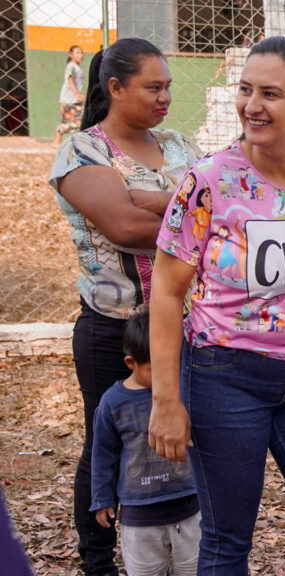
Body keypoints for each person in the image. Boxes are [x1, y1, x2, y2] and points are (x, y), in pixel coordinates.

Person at [147, 36, 285, 574]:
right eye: (246, 90)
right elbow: (167, 291)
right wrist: (167, 400)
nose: (252, 105)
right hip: (223, 375)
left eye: (270, 93)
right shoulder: (210, 180)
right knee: (228, 539)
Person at [49, 37, 201, 576]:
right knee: (107, 442)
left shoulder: (181, 145)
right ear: (115, 88)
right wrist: (185, 211)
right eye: (152, 87)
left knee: (193, 435)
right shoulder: (81, 151)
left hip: (188, 327)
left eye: (167, 87)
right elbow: (125, 227)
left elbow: (229, 208)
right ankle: (100, 563)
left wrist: (146, 197)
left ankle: (192, 550)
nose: (165, 97)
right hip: (113, 330)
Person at [91, 308, 200, 576]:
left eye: (172, 364)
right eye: (157, 369)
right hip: (140, 515)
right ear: (131, 363)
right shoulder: (112, 403)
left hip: (190, 505)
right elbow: (103, 455)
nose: (167, 376)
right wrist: (102, 498)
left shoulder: (185, 390)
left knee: (196, 570)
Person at [54, 44, 85, 145]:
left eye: (81, 53)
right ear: (71, 55)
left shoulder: (78, 67)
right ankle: (56, 141)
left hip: (74, 99)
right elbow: (69, 79)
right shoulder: (71, 66)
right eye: (77, 53)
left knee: (78, 120)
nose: (80, 55)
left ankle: (63, 142)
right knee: (70, 122)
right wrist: (77, 94)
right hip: (69, 99)